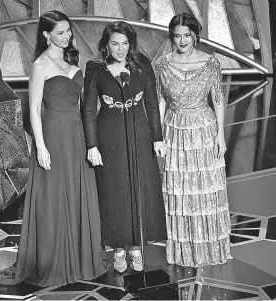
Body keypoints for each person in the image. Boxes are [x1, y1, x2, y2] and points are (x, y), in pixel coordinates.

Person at [3, 10, 106, 287]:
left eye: (68, 31)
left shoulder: (73, 61)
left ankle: (81, 257)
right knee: (54, 198)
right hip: (52, 136)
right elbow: (35, 110)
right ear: (46, 35)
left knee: (76, 193)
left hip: (76, 135)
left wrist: (91, 141)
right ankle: (54, 260)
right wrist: (41, 147)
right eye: (60, 32)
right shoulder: (40, 65)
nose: (67, 36)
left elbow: (85, 107)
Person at [82, 21, 167, 273]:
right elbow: (87, 109)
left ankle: (137, 247)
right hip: (108, 133)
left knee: (139, 187)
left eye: (125, 43)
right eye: (115, 44)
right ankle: (118, 248)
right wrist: (92, 144)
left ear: (131, 44)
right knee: (115, 190)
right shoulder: (95, 67)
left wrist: (157, 137)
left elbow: (152, 103)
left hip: (139, 131)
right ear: (106, 45)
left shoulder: (141, 64)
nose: (120, 49)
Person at [155, 13, 232, 266]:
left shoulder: (211, 63)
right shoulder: (163, 65)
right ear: (172, 37)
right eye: (177, 35)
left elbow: (218, 98)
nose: (182, 40)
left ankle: (210, 248)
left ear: (195, 35)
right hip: (175, 132)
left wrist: (220, 133)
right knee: (180, 190)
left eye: (186, 35)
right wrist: (158, 136)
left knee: (204, 188)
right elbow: (160, 100)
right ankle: (182, 250)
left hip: (204, 129)